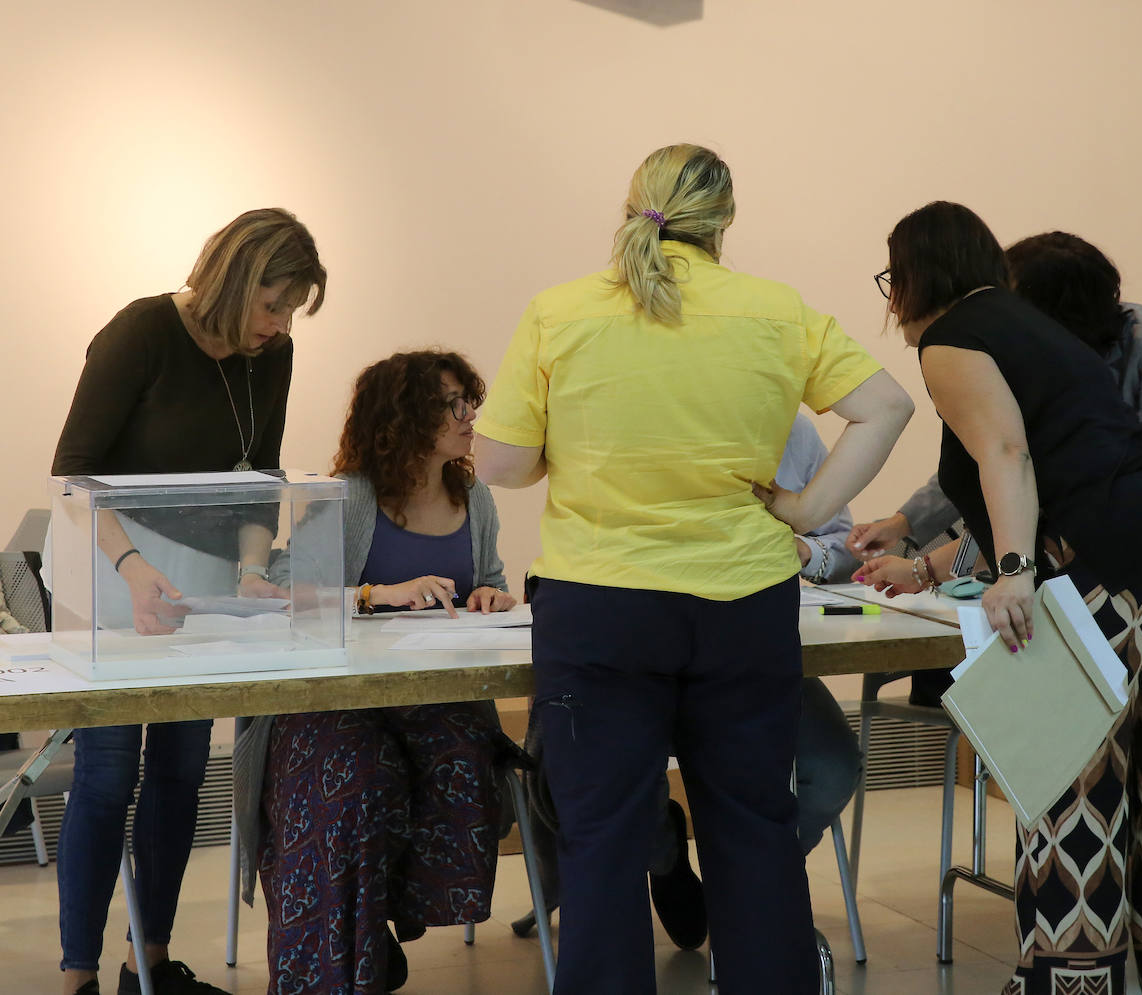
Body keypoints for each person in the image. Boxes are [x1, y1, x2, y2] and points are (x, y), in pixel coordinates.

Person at [475, 144, 912, 994]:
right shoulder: (775, 310)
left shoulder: (560, 311)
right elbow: (887, 405)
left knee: (602, 838)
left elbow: (498, 461)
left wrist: (557, 458)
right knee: (753, 826)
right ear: (726, 223)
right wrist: (805, 508)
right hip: (741, 602)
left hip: (599, 603)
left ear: (632, 205)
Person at [853, 202, 1142, 995]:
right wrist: (932, 565)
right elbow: (1041, 470)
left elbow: (1008, 455)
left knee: (1071, 781)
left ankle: (1074, 979)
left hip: (1110, 565)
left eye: (890, 280)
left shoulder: (950, 340)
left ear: (911, 278)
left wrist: (1011, 572)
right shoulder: (1020, 324)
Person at [850, 230, 1142, 815]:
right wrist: (910, 530)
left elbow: (1040, 472)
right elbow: (993, 469)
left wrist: (966, 566)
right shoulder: (1018, 349)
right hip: (1116, 540)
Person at [50, 208, 325, 995]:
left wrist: (248, 572)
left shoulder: (272, 356)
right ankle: (78, 975)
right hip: (115, 576)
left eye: (291, 310)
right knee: (106, 775)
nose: (277, 324)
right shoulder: (141, 332)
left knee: (178, 771)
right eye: (271, 304)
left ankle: (149, 962)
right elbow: (72, 476)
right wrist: (133, 565)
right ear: (234, 278)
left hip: (202, 587)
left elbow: (256, 480)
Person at [512, 414, 866, 951]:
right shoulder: (624, 406)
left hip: (746, 644)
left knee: (832, 766)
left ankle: (745, 887)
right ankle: (666, 853)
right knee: (600, 774)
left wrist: (804, 552)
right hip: (631, 646)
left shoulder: (789, 426)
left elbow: (841, 548)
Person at [233, 350, 516, 995]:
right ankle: (352, 955)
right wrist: (374, 595)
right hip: (335, 700)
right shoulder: (354, 497)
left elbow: (491, 583)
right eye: (453, 404)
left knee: (465, 757)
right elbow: (279, 589)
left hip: (434, 698)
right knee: (351, 778)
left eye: (470, 400)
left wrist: (491, 598)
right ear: (406, 417)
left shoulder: (475, 498)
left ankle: (385, 920)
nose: (470, 416)